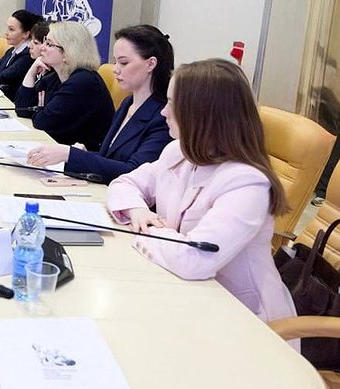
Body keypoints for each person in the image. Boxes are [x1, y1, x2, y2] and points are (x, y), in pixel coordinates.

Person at [107, 58, 296, 324]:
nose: (163, 112)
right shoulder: (179, 152)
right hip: (186, 295)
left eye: (172, 103)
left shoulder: (247, 184)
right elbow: (124, 183)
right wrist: (138, 211)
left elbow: (194, 259)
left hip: (245, 318)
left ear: (201, 113)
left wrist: (147, 230)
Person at [26, 25, 174, 182]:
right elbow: (108, 156)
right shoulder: (128, 103)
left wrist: (70, 154)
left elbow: (133, 171)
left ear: (150, 64)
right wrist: (81, 155)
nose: (115, 69)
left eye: (124, 63)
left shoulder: (163, 116)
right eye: (116, 62)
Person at [15, 21, 114, 150]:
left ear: (67, 52)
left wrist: (40, 110)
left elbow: (44, 122)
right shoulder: (56, 76)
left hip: (83, 156)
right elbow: (22, 109)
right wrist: (32, 72)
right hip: (60, 148)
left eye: (49, 44)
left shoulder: (83, 82)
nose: (42, 48)